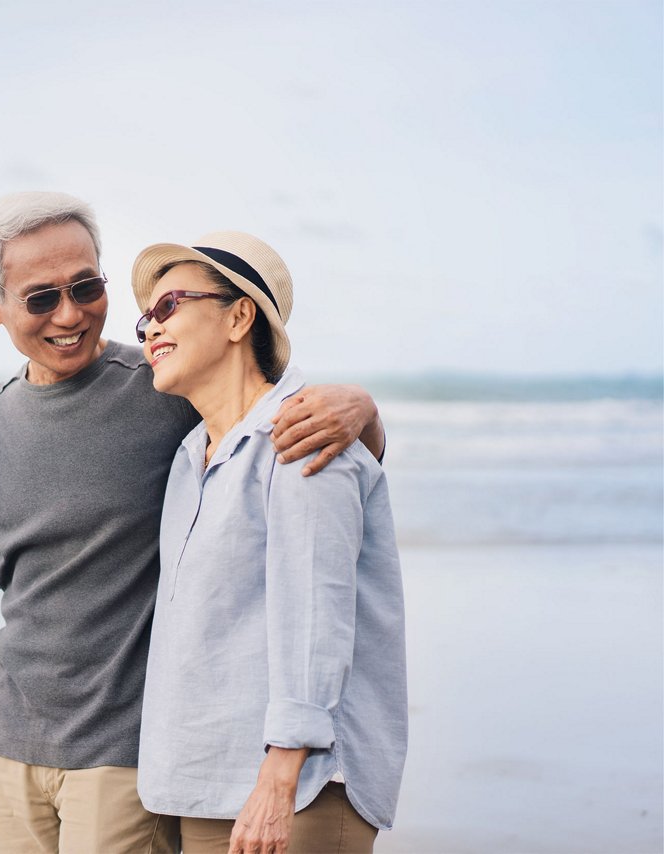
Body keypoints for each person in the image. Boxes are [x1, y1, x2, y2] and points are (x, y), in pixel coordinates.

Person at [0, 193, 388, 853]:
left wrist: (364, 412)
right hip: (9, 750)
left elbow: (276, 422)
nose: (70, 314)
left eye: (86, 287)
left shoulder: (163, 390)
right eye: (40, 298)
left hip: (127, 757)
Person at [131, 231, 407, 854]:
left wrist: (279, 781)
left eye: (169, 305)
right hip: (205, 787)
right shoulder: (188, 456)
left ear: (238, 315)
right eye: (145, 316)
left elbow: (316, 616)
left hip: (293, 792)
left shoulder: (306, 434)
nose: (150, 328)